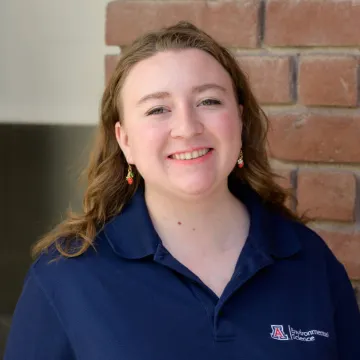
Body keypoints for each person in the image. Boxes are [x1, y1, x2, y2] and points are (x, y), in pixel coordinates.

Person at [4, 21, 360, 360]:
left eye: (208, 101)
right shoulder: (66, 276)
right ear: (125, 141)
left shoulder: (309, 261)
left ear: (239, 120)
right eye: (158, 109)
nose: (187, 128)